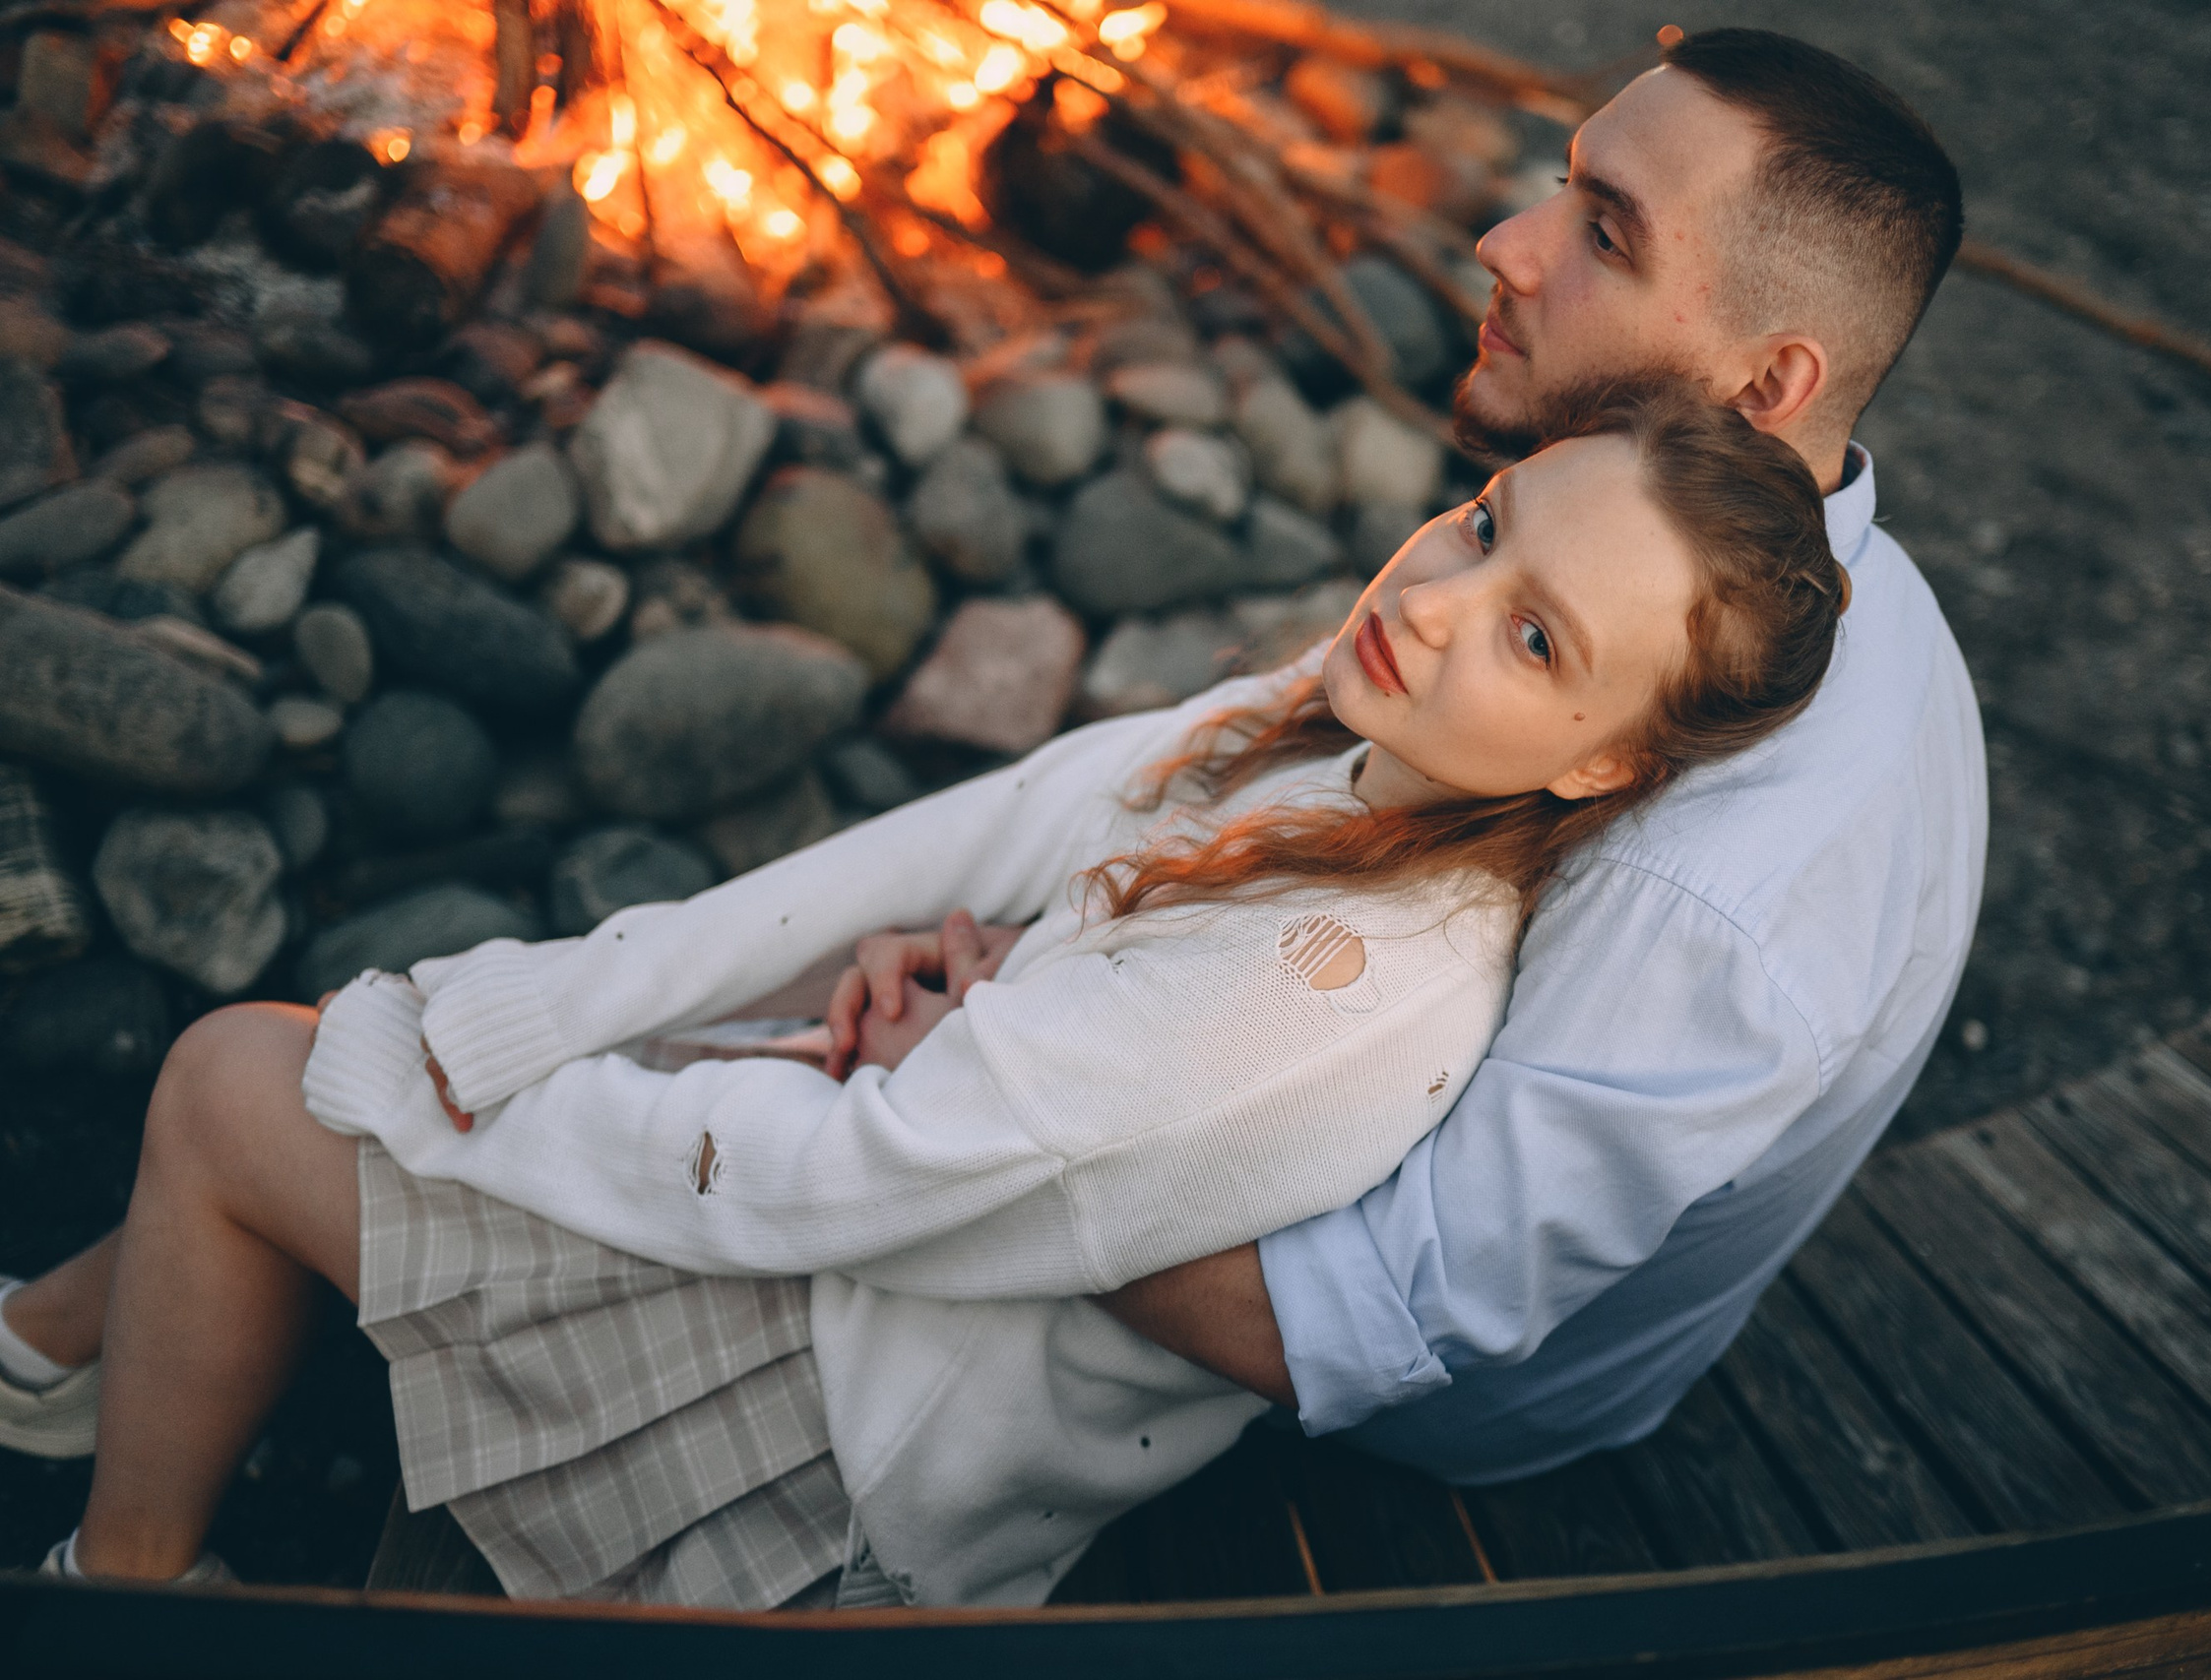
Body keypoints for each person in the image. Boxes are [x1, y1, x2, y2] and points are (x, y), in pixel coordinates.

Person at [0, 381, 1851, 1608]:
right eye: (1484, 521)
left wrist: (500, 1072)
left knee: (248, 1077)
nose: (1442, 596)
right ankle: (60, 1355)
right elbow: (994, 834)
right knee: (373, 1066)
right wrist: (583, 997)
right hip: (868, 1233)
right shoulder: (1348, 746)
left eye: (1540, 639)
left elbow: (875, 1173)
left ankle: (124, 1591)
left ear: (1605, 765)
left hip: (846, 1402)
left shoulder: (1345, 978)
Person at [883, 27, 1989, 1485]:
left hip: (1389, 1435)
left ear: (1765, 387)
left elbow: (1355, 1325)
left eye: (1605, 235)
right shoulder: (1747, 554)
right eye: (1564, 185)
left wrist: (948, 1095)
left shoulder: (1714, 890)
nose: (1504, 245)